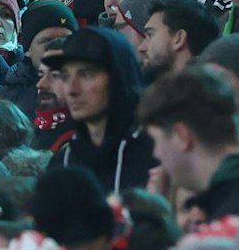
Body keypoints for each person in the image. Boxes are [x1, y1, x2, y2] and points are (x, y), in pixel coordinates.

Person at [45, 27, 157, 193]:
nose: (71, 90)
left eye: (87, 74)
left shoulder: (156, 155)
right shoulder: (62, 163)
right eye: (66, 76)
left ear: (119, 78)